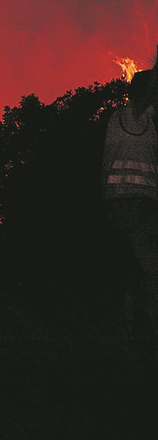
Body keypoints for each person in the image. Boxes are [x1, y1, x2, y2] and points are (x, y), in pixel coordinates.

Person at [101, 67, 158, 349]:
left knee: (132, 273)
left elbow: (106, 162)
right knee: (144, 273)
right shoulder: (136, 121)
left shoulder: (119, 119)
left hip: (126, 205)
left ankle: (127, 335)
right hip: (135, 207)